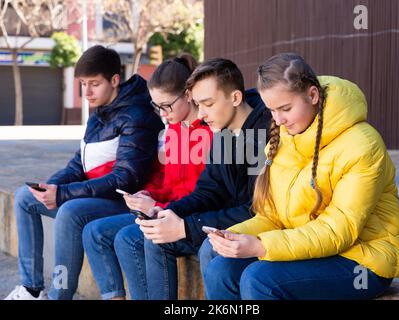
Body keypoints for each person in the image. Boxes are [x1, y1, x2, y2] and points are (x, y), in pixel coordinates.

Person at [200, 52, 399, 300]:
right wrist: (236, 236)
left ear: (312, 95)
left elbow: (338, 231)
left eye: (285, 108)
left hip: (364, 259)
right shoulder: (282, 142)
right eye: (271, 110)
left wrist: (262, 245)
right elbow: (273, 217)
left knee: (260, 280)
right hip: (312, 245)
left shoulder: (362, 145)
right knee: (221, 267)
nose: (277, 120)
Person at [5, 45, 164, 300]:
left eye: (94, 84)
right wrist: (52, 187)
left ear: (114, 80)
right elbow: (79, 165)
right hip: (97, 198)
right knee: (26, 197)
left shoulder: (136, 115)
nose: (87, 92)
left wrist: (64, 194)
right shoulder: (98, 115)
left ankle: (60, 295)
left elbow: (125, 179)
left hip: (128, 202)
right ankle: (32, 288)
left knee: (70, 210)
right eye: (82, 84)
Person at [130, 58, 271, 300]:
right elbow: (208, 190)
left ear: (235, 98)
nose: (202, 114)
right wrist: (168, 212)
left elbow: (256, 209)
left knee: (209, 248)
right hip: (222, 220)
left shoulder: (264, 135)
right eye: (197, 104)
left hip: (258, 227)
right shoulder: (223, 133)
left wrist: (186, 226)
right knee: (156, 238)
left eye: (208, 103)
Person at [82, 53, 213, 300]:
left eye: (166, 106)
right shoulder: (173, 130)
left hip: (189, 217)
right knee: (103, 232)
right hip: (165, 210)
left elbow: (204, 196)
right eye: (157, 107)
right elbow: (166, 180)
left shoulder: (211, 133)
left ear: (188, 94)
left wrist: (158, 206)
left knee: (129, 239)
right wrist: (148, 194)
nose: (162, 114)